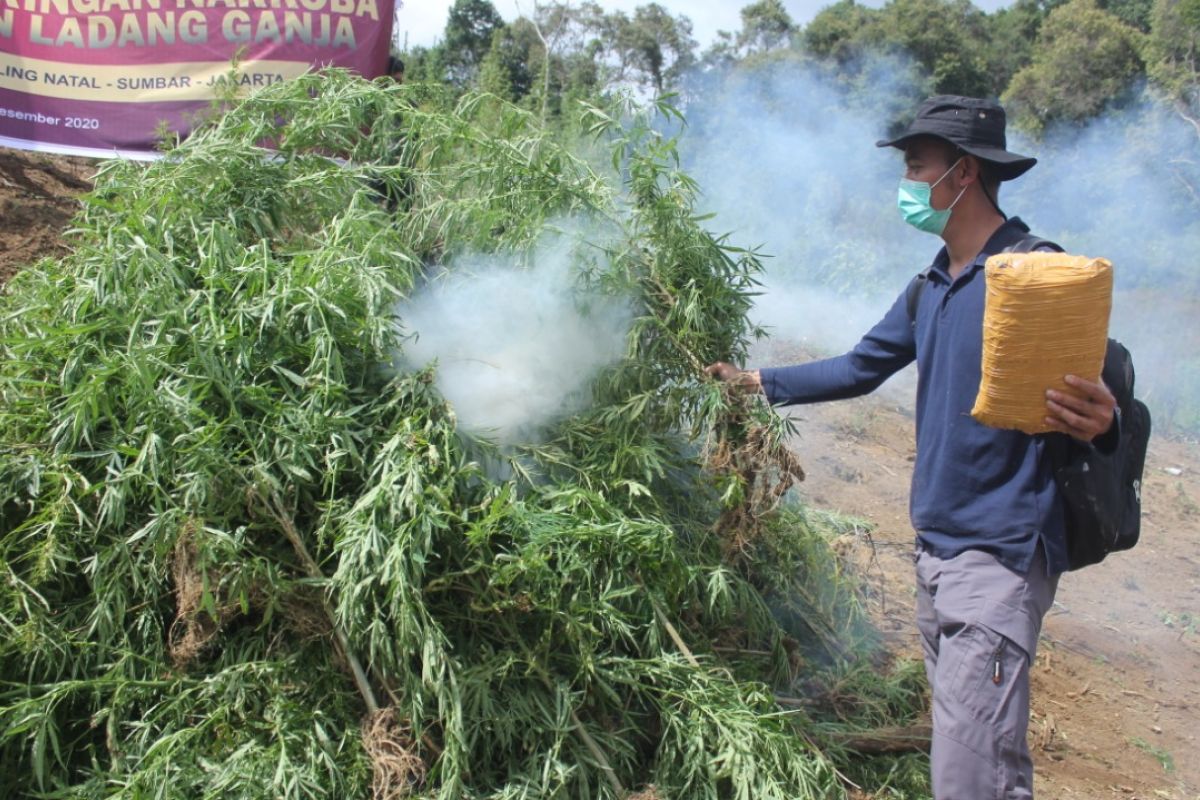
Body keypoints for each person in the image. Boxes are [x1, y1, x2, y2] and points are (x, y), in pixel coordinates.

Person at [706, 95, 1116, 799]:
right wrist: (757, 381)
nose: (907, 182)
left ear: (962, 175)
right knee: (989, 761)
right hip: (936, 554)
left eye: (916, 165)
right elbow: (860, 366)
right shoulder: (932, 285)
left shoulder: (1034, 276)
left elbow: (1098, 397)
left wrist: (1103, 417)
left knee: (965, 776)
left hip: (999, 561)